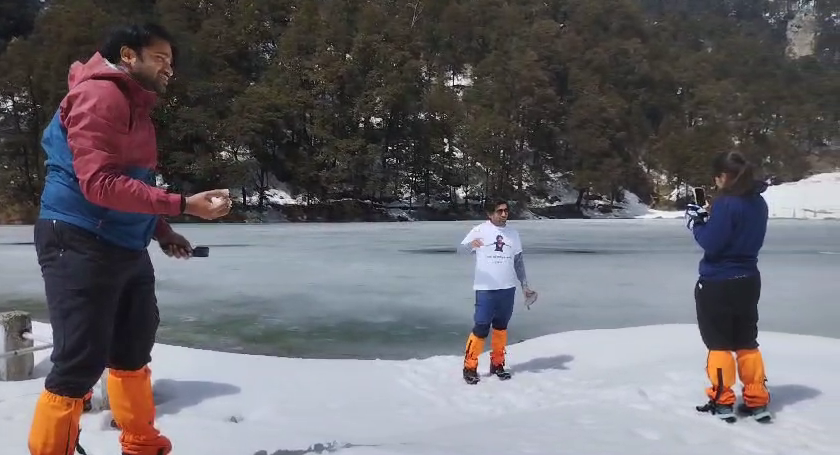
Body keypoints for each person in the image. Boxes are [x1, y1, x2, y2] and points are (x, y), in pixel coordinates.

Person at [28, 23, 232, 455]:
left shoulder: (132, 103)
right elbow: (99, 184)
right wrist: (182, 204)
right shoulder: (99, 97)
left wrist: (161, 229)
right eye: (160, 58)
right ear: (128, 55)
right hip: (78, 238)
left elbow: (129, 181)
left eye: (171, 62)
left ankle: (141, 444)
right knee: (79, 361)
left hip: (122, 242)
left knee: (132, 347)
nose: (168, 69)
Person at [685, 151, 772, 423]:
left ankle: (722, 401)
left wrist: (697, 223)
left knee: (719, 344)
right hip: (748, 280)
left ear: (725, 177)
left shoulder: (726, 203)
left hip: (718, 281)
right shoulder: (759, 203)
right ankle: (757, 401)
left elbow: (713, 243)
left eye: (717, 176)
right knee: (747, 342)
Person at [457, 199, 536, 384]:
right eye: (499, 211)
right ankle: (470, 367)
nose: (504, 214)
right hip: (486, 289)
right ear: (490, 214)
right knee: (481, 326)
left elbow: (518, 261)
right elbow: (460, 250)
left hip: (507, 289)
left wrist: (524, 285)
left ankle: (498, 363)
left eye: (506, 210)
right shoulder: (480, 230)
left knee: (501, 327)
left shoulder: (513, 234)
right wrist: (470, 246)